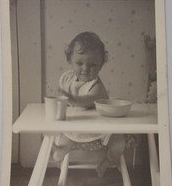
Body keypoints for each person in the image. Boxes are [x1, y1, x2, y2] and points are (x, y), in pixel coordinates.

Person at [52, 31, 125, 177]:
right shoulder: (68, 79)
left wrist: (71, 98)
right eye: (79, 63)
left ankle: (108, 161)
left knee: (118, 144)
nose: (85, 68)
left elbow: (86, 101)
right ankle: (60, 151)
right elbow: (60, 98)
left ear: (101, 65)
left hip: (102, 127)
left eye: (92, 65)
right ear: (70, 60)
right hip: (76, 125)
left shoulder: (96, 86)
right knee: (62, 136)